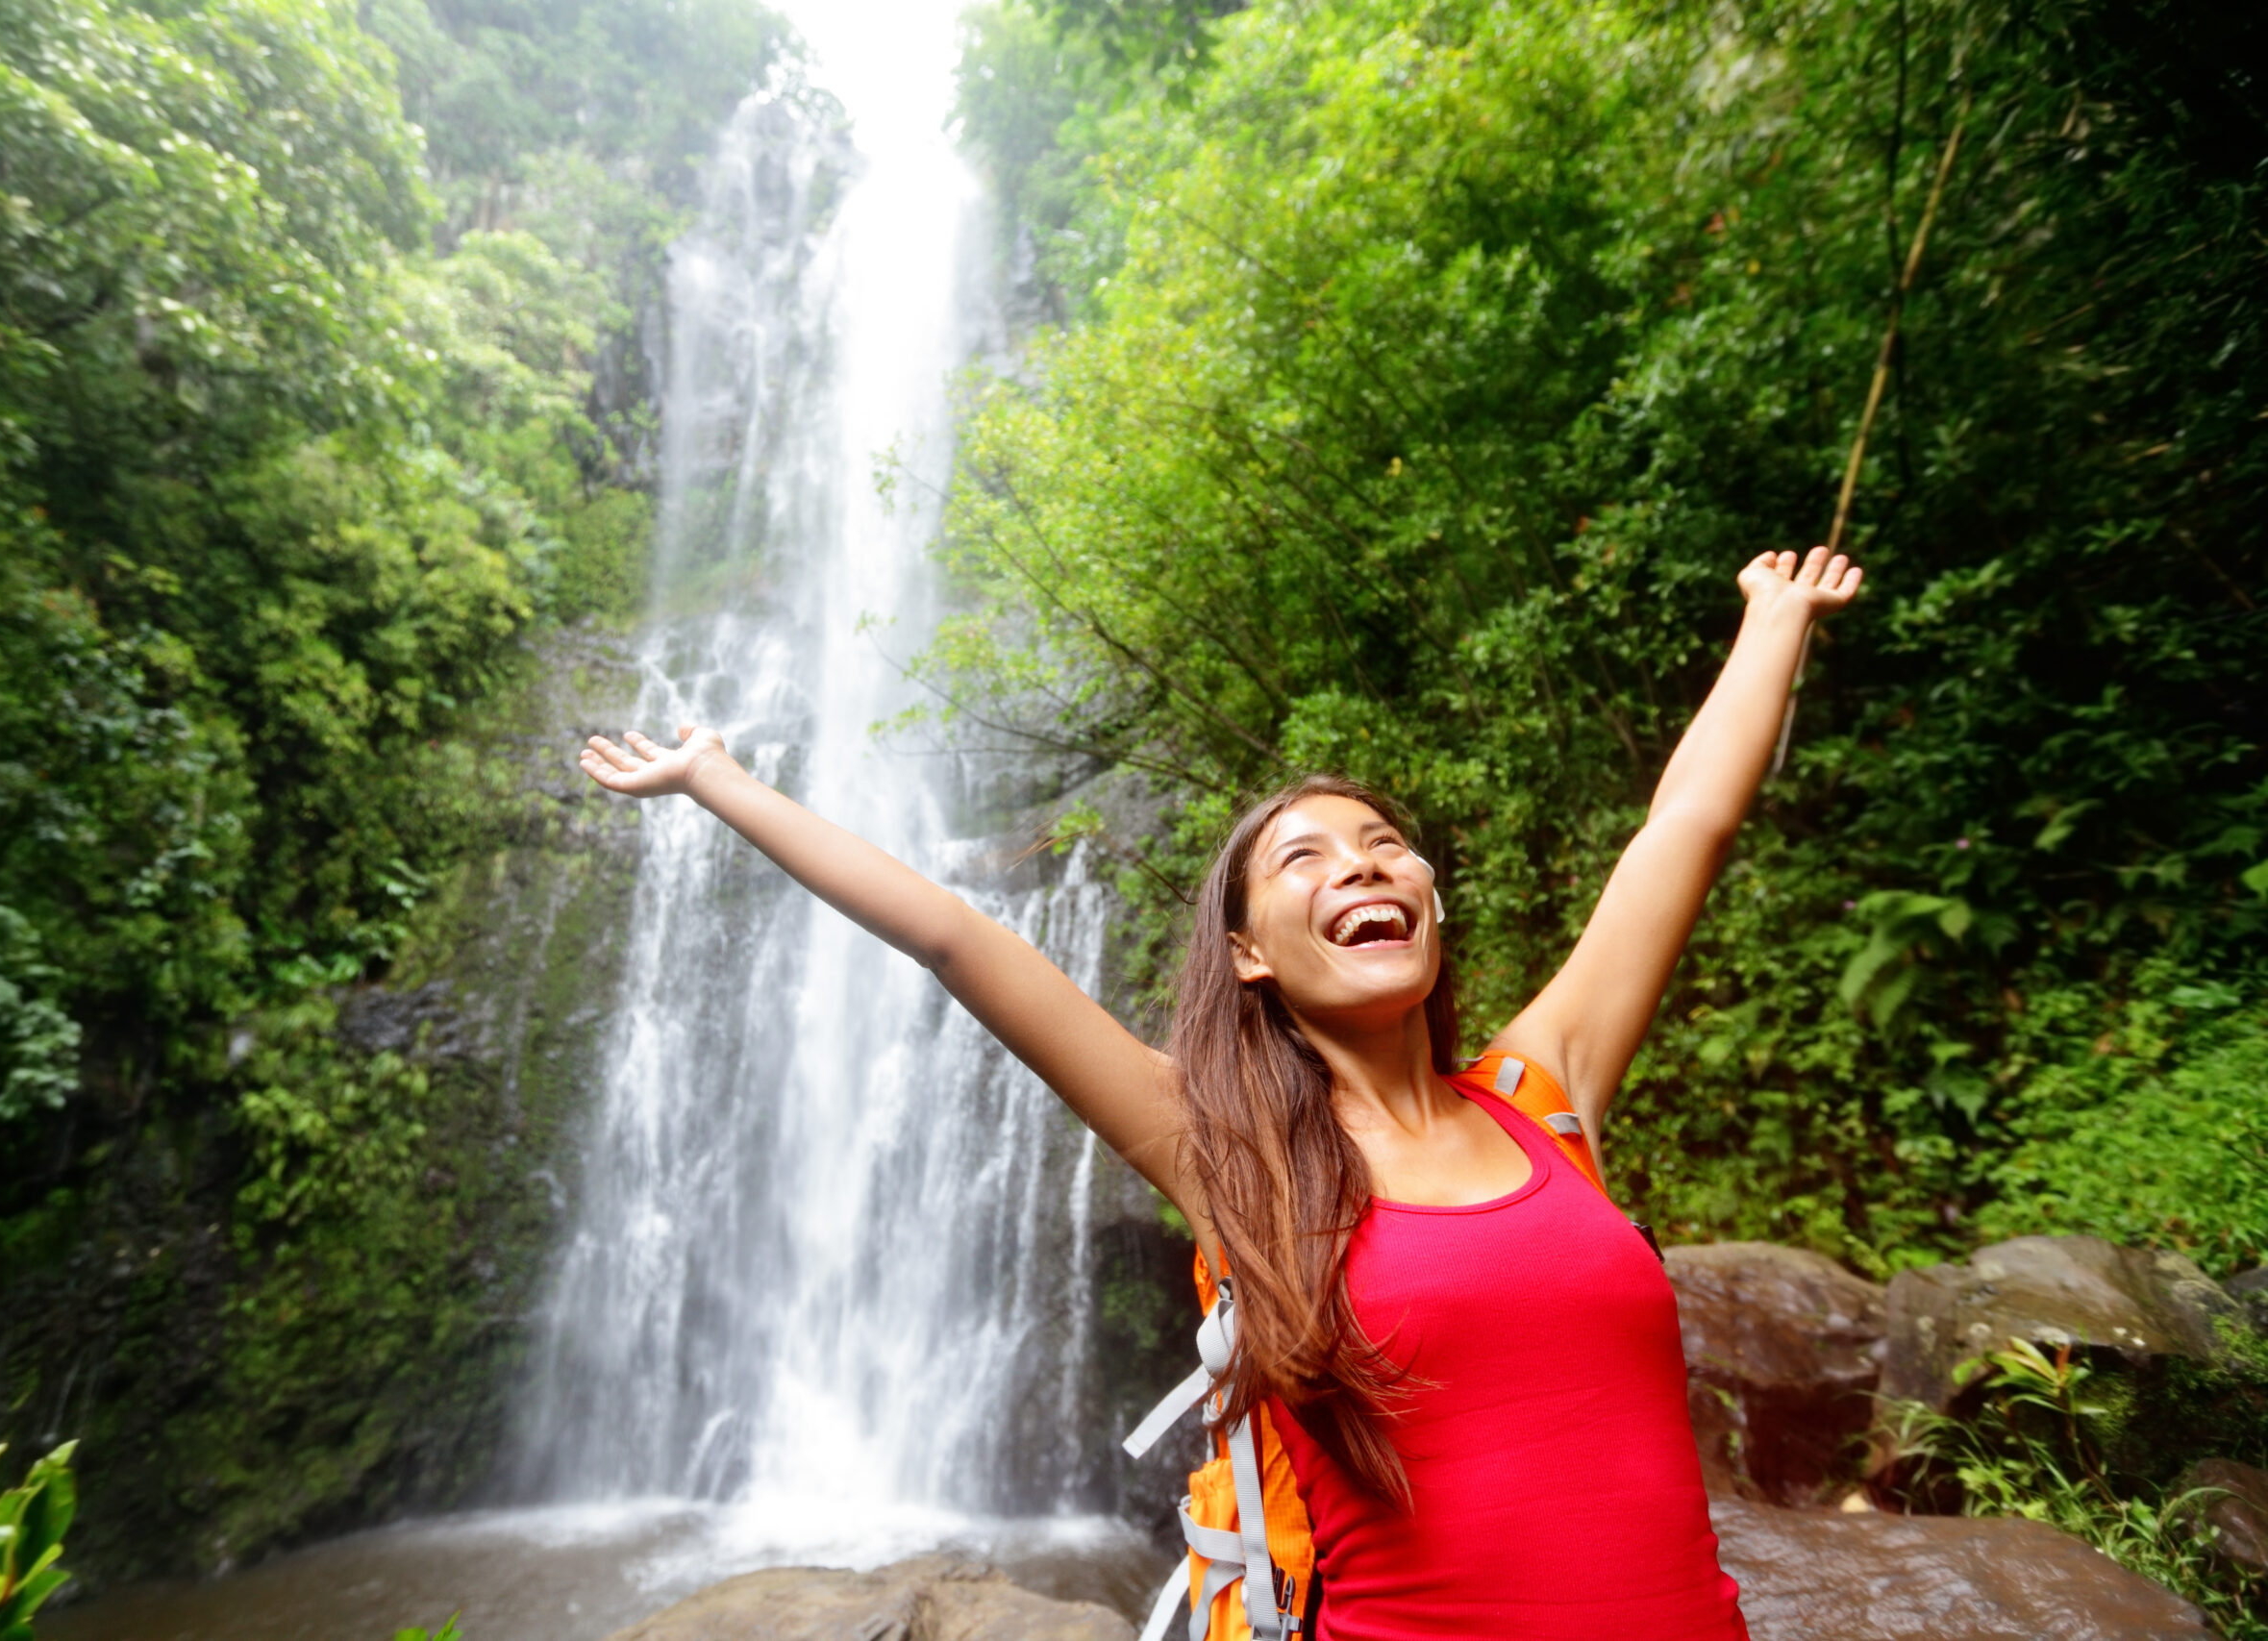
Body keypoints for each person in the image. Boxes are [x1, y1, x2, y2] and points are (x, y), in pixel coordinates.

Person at [579, 545, 1864, 1640]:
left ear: (1427, 900)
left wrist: (1771, 620)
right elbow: (957, 939)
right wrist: (718, 781)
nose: (1362, 866)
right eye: (1306, 857)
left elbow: (1681, 830)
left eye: (1384, 846)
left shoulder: (1547, 1090)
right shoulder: (1223, 1154)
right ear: (1249, 952)